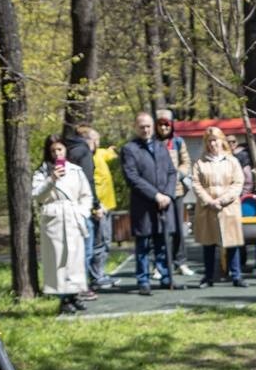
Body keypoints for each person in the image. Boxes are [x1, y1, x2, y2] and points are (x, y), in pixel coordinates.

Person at [32, 134, 93, 314]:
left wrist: (82, 213)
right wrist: (52, 180)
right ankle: (63, 298)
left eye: (60, 149)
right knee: (58, 259)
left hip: (73, 216)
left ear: (65, 150)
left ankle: (75, 294)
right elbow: (37, 196)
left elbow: (86, 195)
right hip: (54, 218)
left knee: (74, 259)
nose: (57, 153)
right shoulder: (42, 172)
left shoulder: (75, 170)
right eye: (53, 151)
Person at [120, 112, 178, 295]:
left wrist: (167, 194)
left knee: (162, 243)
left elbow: (171, 172)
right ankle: (143, 280)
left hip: (164, 204)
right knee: (143, 245)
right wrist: (155, 195)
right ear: (135, 127)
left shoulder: (161, 146)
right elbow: (132, 177)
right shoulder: (129, 149)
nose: (145, 130)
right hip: (143, 205)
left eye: (148, 126)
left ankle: (166, 276)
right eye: (142, 126)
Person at [191, 126, 246, 288]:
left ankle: (236, 275)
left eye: (215, 140)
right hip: (207, 208)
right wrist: (209, 201)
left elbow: (238, 183)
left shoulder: (232, 161)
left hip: (228, 207)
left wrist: (223, 200)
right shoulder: (200, 162)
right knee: (209, 244)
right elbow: (196, 183)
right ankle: (208, 277)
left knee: (232, 242)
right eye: (210, 141)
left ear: (221, 141)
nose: (213, 144)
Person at [155, 109, 194, 277]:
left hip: (176, 191)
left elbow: (186, 162)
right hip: (157, 192)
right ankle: (159, 264)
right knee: (160, 229)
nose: (164, 128)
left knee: (178, 227)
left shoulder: (178, 142)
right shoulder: (152, 143)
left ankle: (180, 262)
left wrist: (178, 174)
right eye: (161, 125)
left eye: (167, 125)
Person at [63, 124, 100, 300]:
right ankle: (81, 287)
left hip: (66, 207)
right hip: (81, 208)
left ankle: (72, 286)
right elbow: (88, 181)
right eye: (97, 142)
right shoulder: (84, 152)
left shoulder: (68, 150)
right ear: (91, 140)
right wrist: (95, 205)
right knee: (85, 249)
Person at [83, 126, 117, 290]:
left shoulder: (100, 153)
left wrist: (113, 150)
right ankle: (96, 277)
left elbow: (111, 154)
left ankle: (100, 273)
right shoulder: (87, 158)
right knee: (98, 242)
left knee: (106, 241)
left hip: (108, 205)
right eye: (94, 140)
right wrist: (95, 207)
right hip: (98, 208)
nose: (97, 143)